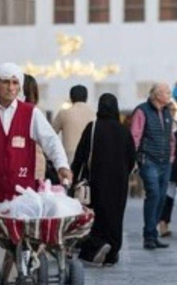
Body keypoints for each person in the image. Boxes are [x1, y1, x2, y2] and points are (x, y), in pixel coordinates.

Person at [0, 63, 72, 268]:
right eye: (5, 82)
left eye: (15, 82)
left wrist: (62, 165)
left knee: (23, 250)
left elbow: (50, 140)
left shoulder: (30, 113)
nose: (11, 87)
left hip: (23, 196)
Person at [71, 93, 136, 266]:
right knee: (115, 216)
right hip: (119, 182)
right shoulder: (124, 130)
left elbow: (80, 156)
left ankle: (98, 245)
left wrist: (73, 176)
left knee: (96, 216)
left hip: (96, 180)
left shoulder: (92, 127)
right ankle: (112, 252)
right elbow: (132, 158)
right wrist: (123, 173)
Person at [130, 83, 176, 249]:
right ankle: (149, 235)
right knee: (154, 194)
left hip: (165, 162)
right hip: (148, 159)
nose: (170, 94)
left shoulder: (167, 112)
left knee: (162, 197)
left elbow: (171, 136)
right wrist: (133, 159)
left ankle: (153, 234)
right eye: (167, 92)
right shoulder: (142, 111)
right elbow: (135, 136)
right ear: (156, 94)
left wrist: (171, 156)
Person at [158, 118, 177, 238]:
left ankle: (165, 223)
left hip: (175, 168)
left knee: (170, 197)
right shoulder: (162, 123)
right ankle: (161, 224)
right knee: (163, 196)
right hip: (164, 165)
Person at [53, 85, 96, 164]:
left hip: (69, 154)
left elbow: (52, 133)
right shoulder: (94, 114)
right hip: (90, 154)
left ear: (71, 98)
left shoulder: (64, 113)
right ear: (86, 97)